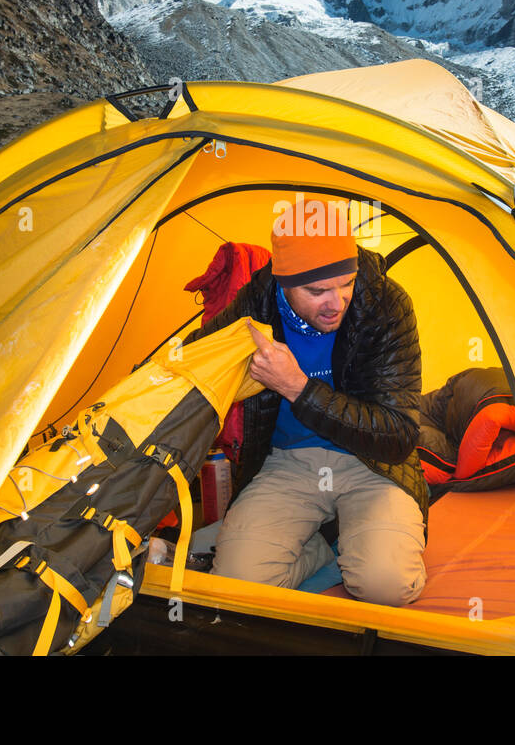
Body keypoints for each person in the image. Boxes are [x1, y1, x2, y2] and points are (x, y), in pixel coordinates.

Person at [181, 193, 427, 606]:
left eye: (345, 283)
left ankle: (352, 543)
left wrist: (297, 387)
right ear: (284, 281)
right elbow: (190, 363)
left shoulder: (385, 304)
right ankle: (320, 547)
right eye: (317, 290)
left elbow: (399, 436)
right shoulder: (256, 303)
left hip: (373, 463)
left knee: (387, 586)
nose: (336, 303)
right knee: (237, 585)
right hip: (287, 462)